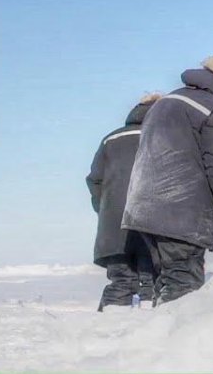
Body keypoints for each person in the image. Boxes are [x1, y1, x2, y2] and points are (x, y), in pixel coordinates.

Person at [121, 55, 213, 305]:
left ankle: (158, 338)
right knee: (183, 290)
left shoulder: (167, 101)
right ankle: (175, 343)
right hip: (181, 215)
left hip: (144, 211)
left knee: (166, 283)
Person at [87, 93, 160, 310]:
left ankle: (109, 327)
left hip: (113, 223)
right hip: (151, 221)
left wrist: (105, 209)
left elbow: (95, 180)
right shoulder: (161, 135)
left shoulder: (111, 139)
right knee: (151, 280)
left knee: (121, 280)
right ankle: (152, 330)